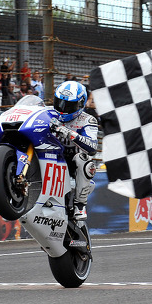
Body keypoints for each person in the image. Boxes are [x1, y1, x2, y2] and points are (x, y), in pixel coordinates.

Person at [51, 81, 98, 221]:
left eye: (69, 105)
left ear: (80, 104)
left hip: (72, 163)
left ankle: (80, 205)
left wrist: (68, 132)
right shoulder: (49, 113)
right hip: (52, 157)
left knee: (84, 159)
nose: (63, 109)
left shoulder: (88, 120)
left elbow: (92, 147)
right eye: (59, 103)